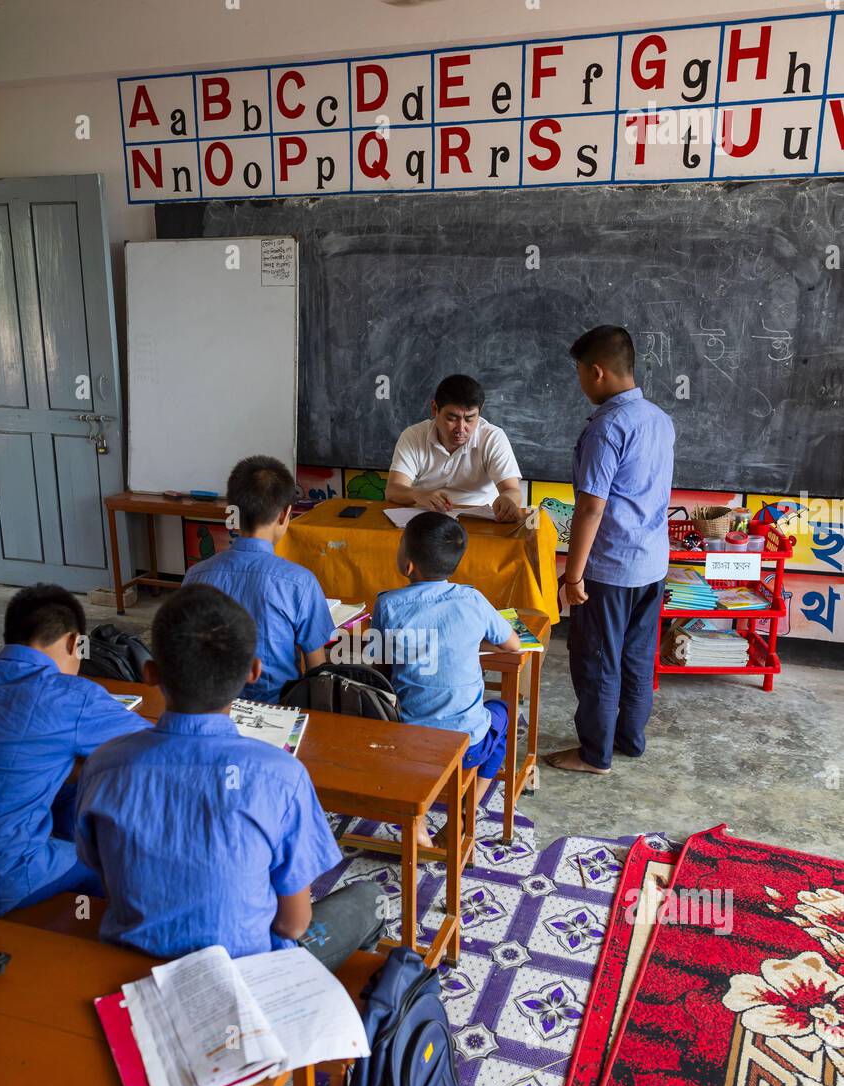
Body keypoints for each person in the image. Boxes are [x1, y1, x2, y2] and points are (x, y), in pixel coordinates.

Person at [74, 584, 382, 970]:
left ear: (149, 673)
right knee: (370, 896)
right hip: (246, 976)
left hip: (133, 968)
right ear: (254, 671)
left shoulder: (104, 764)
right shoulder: (282, 777)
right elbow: (292, 924)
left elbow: (100, 871)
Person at [0, 584, 148, 914]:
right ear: (74, 643)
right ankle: (90, 943)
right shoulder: (71, 695)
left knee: (69, 789)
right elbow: (155, 744)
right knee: (106, 859)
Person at [546, 324, 675, 776]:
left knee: (597, 660)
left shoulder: (607, 427)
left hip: (611, 567)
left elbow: (590, 509)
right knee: (637, 656)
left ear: (597, 372)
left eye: (580, 373)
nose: (580, 382)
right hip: (652, 562)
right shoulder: (660, 419)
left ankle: (594, 754)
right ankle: (630, 741)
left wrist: (574, 575)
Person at [370, 513, 520, 846]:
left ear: (408, 565)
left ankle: (418, 822)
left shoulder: (388, 605)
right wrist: (467, 640)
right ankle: (465, 813)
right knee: (504, 714)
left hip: (407, 747)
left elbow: (380, 666)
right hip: (466, 748)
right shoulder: (472, 599)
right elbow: (513, 645)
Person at [183, 455, 334, 703]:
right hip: (278, 711)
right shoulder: (300, 583)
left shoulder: (195, 575)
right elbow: (318, 672)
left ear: (233, 511)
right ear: (285, 515)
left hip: (211, 705)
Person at [386, 374, 524, 521]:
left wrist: (508, 499)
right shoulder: (414, 436)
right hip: (427, 519)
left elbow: (512, 490)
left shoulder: (492, 437)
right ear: (435, 408)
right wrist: (417, 494)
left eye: (469, 419)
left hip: (478, 521)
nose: (461, 428)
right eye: (451, 418)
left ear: (480, 410)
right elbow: (393, 490)